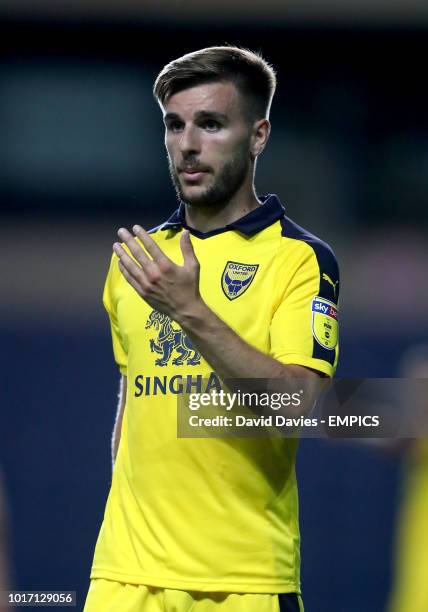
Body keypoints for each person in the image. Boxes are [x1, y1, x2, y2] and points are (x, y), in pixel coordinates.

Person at [84, 46, 340, 612]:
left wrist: (191, 311)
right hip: (124, 579)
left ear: (258, 135)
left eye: (212, 124)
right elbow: (133, 403)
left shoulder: (298, 259)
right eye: (175, 126)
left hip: (241, 580)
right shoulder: (137, 260)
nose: (188, 145)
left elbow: (299, 407)